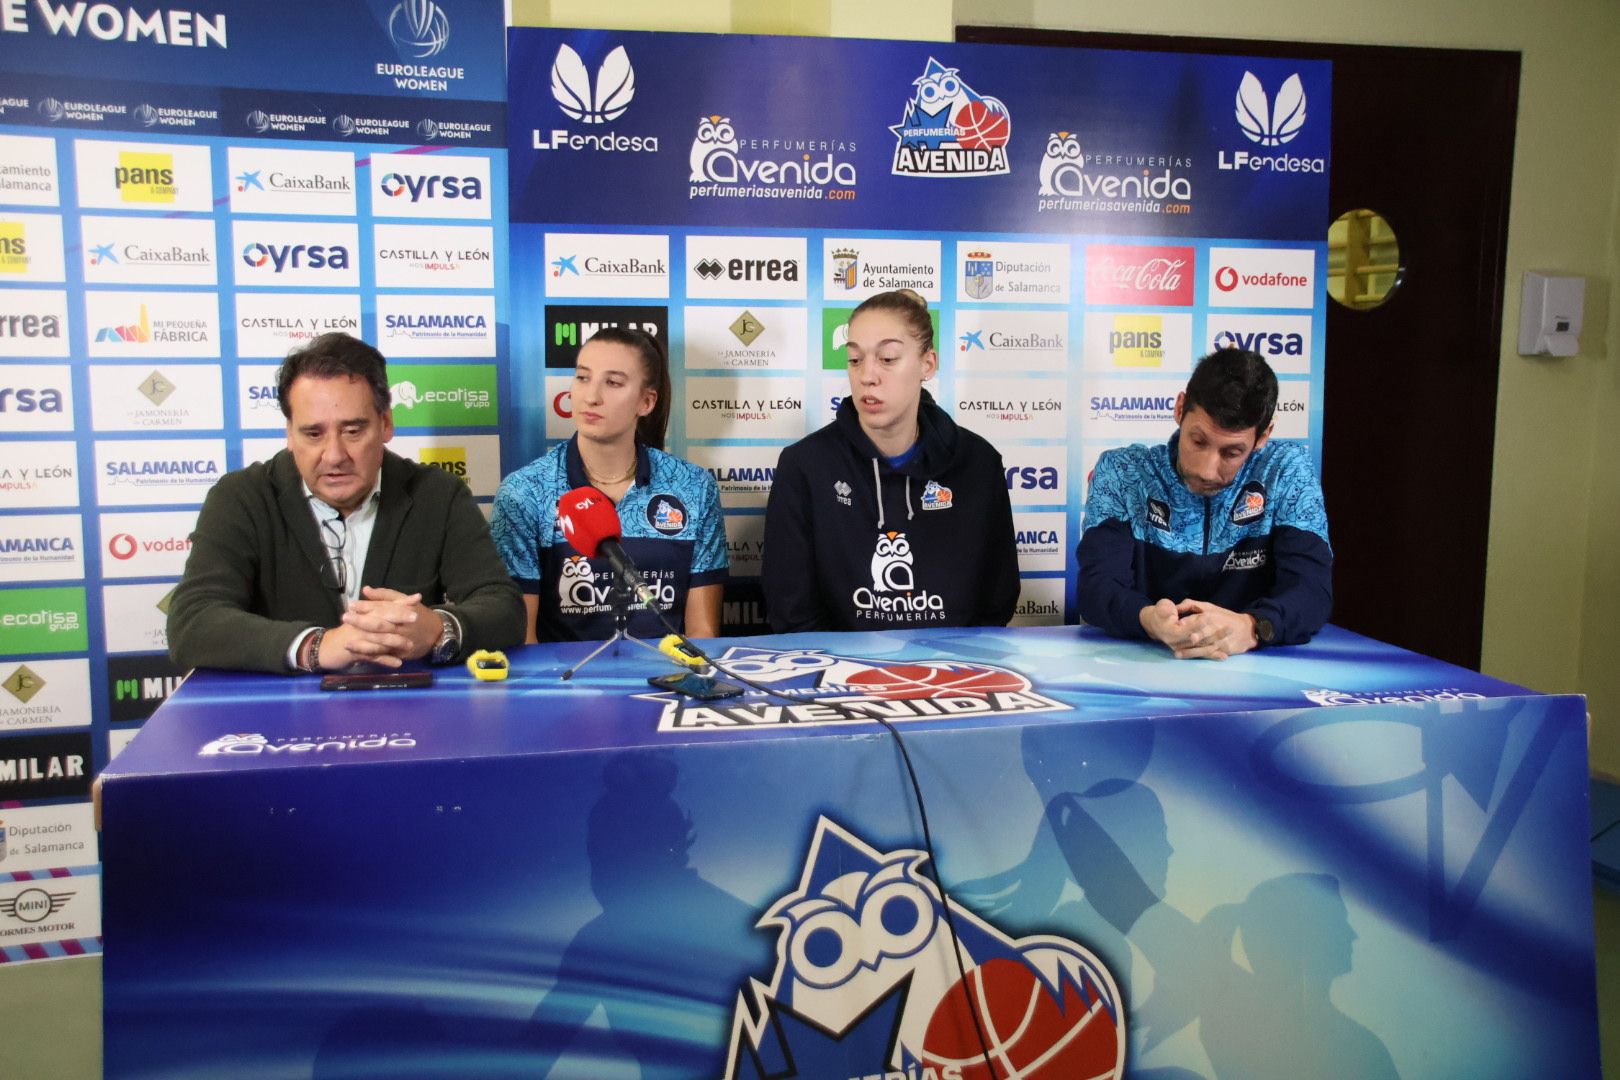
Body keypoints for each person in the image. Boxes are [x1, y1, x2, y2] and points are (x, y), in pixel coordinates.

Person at [167, 333, 525, 674]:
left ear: (386, 424)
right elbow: (194, 621)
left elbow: (504, 608)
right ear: (289, 433)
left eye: (353, 431)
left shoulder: (439, 494)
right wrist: (318, 646)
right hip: (279, 721)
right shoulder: (240, 497)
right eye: (313, 433)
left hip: (409, 716)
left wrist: (437, 629)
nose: (334, 455)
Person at [761, 289, 1019, 631]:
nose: (867, 375)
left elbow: (996, 602)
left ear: (927, 364)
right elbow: (792, 614)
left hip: (952, 675)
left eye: (888, 358)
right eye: (855, 359)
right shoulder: (805, 465)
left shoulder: (979, 463)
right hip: (841, 678)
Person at [1076, 347, 1331, 659]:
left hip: (1256, 675)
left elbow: (1312, 591)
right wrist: (1149, 620)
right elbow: (1096, 588)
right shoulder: (1123, 472)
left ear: (1264, 435)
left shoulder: (1285, 470)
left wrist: (1251, 627)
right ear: (1180, 408)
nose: (1207, 470)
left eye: (1231, 452)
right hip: (1147, 668)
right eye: (1199, 441)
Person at [492, 328, 727, 642]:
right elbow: (522, 641)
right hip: (565, 685)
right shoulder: (525, 492)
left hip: (668, 684)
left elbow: (703, 634)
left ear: (646, 402)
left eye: (613, 382)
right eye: (583, 377)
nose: (591, 396)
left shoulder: (694, 488)